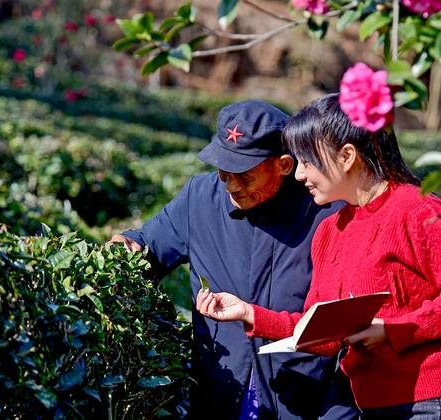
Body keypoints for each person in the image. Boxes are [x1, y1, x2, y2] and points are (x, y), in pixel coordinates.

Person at [196, 94, 441, 420]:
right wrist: (248, 313)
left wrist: (392, 330)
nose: (298, 175)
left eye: (307, 162)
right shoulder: (329, 232)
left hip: (435, 403)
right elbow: (322, 333)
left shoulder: (418, 209)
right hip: (370, 406)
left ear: (346, 156)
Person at [109, 100, 359, 420]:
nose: (230, 185)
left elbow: (346, 321)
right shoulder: (199, 197)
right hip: (221, 391)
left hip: (304, 400)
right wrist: (127, 246)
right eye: (223, 171)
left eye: (244, 175)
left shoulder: (326, 209)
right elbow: (149, 248)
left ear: (283, 165)